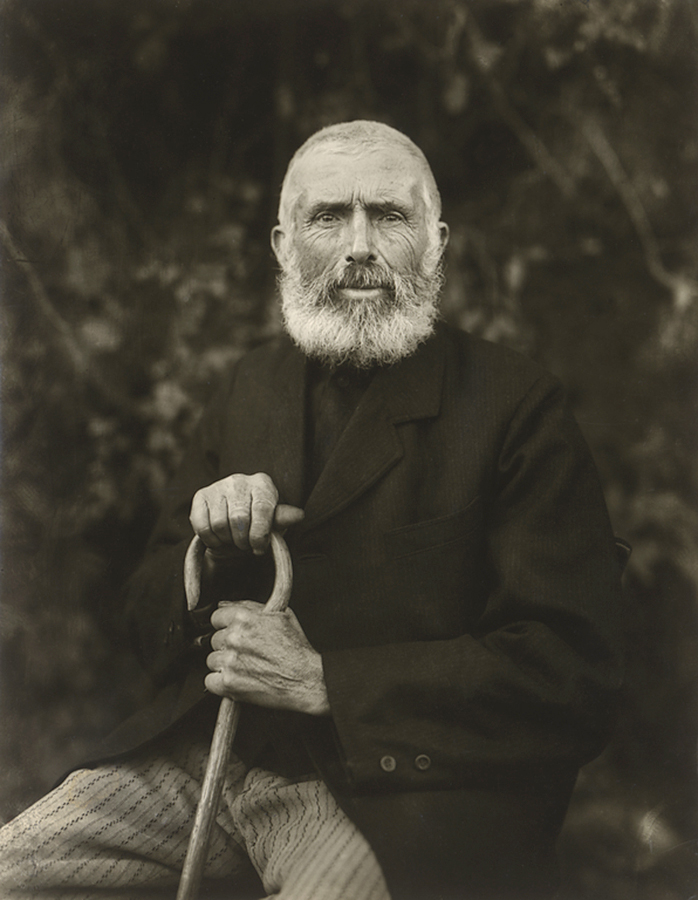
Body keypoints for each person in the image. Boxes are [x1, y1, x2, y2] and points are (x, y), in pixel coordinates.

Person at [0, 120, 624, 900]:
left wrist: (328, 680)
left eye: (388, 216)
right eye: (329, 217)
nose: (359, 244)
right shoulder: (245, 389)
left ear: (436, 241)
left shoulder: (514, 405)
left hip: (385, 796)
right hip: (213, 761)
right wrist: (205, 554)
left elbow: (573, 673)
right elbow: (141, 622)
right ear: (283, 244)